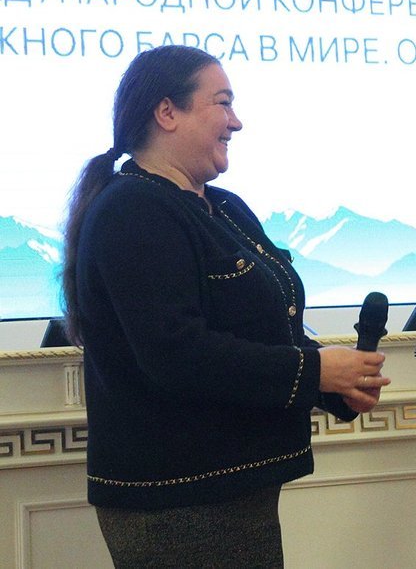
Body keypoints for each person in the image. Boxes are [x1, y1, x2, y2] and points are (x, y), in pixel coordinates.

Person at [60, 45, 390, 568]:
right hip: (177, 503)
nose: (236, 122)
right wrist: (315, 371)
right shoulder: (132, 209)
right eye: (223, 102)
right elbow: (177, 353)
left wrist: (335, 385)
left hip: (233, 493)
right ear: (167, 112)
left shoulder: (224, 207)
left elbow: (262, 332)